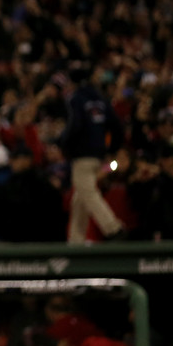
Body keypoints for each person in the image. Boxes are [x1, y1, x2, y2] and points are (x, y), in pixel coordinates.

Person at [57, 64, 127, 243]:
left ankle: (113, 227)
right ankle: (76, 240)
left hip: (82, 155)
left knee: (87, 192)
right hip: (98, 155)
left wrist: (63, 143)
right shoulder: (99, 98)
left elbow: (75, 124)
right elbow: (117, 126)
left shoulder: (76, 99)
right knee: (80, 197)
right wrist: (111, 150)